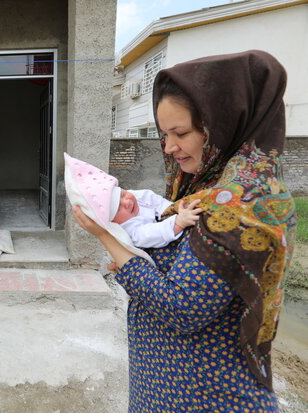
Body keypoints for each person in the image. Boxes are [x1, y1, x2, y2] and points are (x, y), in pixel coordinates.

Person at [73, 50, 295, 411]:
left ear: (223, 123)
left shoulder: (240, 205)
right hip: (170, 382)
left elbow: (182, 308)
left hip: (203, 394)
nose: (169, 147)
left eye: (181, 132)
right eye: (164, 134)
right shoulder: (202, 184)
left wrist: (106, 238)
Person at [64, 153, 202, 249]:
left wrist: (172, 210)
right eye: (118, 208)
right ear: (113, 222)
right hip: (169, 240)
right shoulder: (129, 229)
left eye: (122, 194)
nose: (127, 202)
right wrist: (178, 222)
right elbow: (150, 234)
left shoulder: (136, 196)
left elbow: (155, 200)